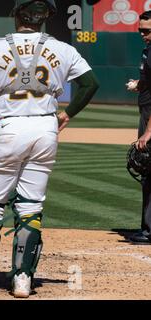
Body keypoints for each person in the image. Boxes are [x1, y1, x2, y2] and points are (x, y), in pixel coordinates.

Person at [0, 0, 99, 297]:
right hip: (45, 128)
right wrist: (67, 113)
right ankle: (22, 279)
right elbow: (90, 83)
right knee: (31, 205)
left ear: (17, 16)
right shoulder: (62, 48)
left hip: (9, 127)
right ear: (44, 18)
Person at [125, 10, 151, 244]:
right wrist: (140, 84)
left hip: (150, 119)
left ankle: (149, 230)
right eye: (141, 30)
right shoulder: (148, 50)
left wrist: (149, 130)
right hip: (146, 113)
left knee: (149, 171)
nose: (143, 34)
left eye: (147, 31)